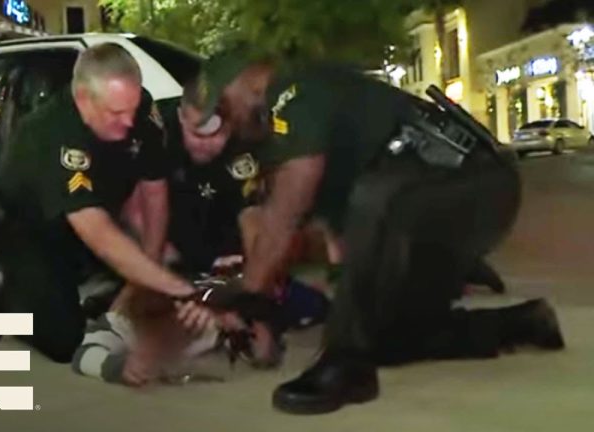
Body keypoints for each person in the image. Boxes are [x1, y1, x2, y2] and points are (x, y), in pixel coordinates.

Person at [187, 49, 565, 414]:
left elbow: (284, 214)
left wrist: (251, 293)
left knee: (378, 193)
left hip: (476, 183)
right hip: (436, 211)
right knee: (384, 336)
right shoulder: (287, 142)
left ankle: (345, 365)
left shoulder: (295, 92)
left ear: (250, 81)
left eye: (222, 108)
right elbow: (338, 236)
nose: (228, 122)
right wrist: (320, 311)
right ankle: (522, 323)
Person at [0, 43, 213, 363]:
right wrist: (177, 289)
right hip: (31, 229)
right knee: (64, 342)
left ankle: (105, 298)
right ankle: (4, 296)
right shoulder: (51, 134)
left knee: (159, 265)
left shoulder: (138, 107)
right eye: (117, 114)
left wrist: (149, 272)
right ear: (84, 99)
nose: (130, 122)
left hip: (96, 210)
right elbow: (98, 233)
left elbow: (153, 190)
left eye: (132, 109)